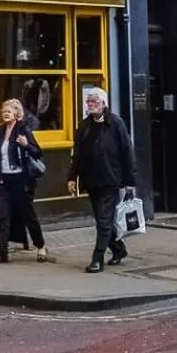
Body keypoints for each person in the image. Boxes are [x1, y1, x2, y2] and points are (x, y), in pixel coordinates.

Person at [67, 87, 137, 273]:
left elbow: (127, 152)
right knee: (101, 219)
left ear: (104, 103)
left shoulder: (116, 123)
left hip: (110, 179)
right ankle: (119, 249)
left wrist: (130, 181)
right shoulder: (84, 126)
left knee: (104, 220)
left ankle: (97, 259)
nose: (91, 105)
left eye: (94, 101)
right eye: (89, 101)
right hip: (91, 180)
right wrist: (72, 177)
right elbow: (78, 154)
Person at [0, 99, 47, 264]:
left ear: (16, 114)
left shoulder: (23, 130)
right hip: (3, 180)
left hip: (20, 180)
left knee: (28, 215)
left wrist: (27, 144)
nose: (5, 113)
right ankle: (1, 253)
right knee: (2, 217)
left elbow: (37, 152)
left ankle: (40, 246)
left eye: (9, 111)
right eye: (4, 111)